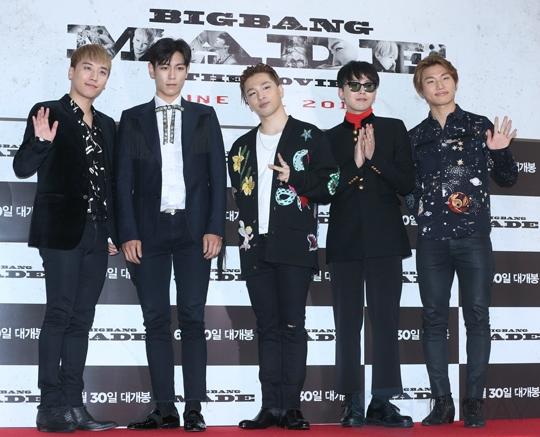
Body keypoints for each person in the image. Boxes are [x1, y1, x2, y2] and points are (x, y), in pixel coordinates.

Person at [116, 37, 226, 431]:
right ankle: (164, 408)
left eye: (179, 67)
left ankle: (194, 408)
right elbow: (122, 182)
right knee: (155, 320)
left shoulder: (204, 116)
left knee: (193, 318)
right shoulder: (132, 119)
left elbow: (217, 178)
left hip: (195, 231)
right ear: (151, 71)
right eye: (164, 67)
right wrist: (128, 232)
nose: (172, 75)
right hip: (149, 232)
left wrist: (215, 227)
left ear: (187, 71)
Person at [407, 54, 517, 428]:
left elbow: (508, 179)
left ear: (455, 81)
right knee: (433, 319)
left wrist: (500, 151)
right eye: (430, 80)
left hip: (473, 238)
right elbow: (407, 191)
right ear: (421, 90)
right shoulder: (414, 138)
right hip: (432, 241)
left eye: (445, 78)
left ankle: (474, 403)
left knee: (477, 317)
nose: (439, 85)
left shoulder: (479, 126)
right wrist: (419, 206)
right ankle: (442, 403)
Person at [13, 44, 118, 433]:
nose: (94, 77)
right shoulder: (48, 112)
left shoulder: (108, 126)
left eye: (102, 72)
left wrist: (114, 230)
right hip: (60, 231)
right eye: (87, 68)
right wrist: (41, 143)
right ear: (72, 71)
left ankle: (74, 406)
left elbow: (111, 184)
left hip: (97, 232)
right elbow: (22, 167)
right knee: (59, 313)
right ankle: (49, 406)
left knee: (82, 319)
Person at [227, 63, 338, 430]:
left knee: (292, 326)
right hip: (254, 246)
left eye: (265, 87)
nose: (260, 96)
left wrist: (296, 177)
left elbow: (331, 185)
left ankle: (292, 407)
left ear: (279, 89)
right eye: (251, 93)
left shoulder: (309, 136)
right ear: (246, 102)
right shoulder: (240, 148)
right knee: (267, 327)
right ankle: (270, 407)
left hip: (294, 245)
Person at [325, 61, 415, 428]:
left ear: (376, 90)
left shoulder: (394, 129)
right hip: (344, 241)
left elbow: (407, 184)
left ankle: (382, 401)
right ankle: (352, 402)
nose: (362, 91)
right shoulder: (327, 137)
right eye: (354, 85)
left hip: (385, 241)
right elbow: (324, 191)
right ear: (341, 92)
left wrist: (376, 161)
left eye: (369, 85)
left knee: (386, 321)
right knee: (347, 324)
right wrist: (355, 164)